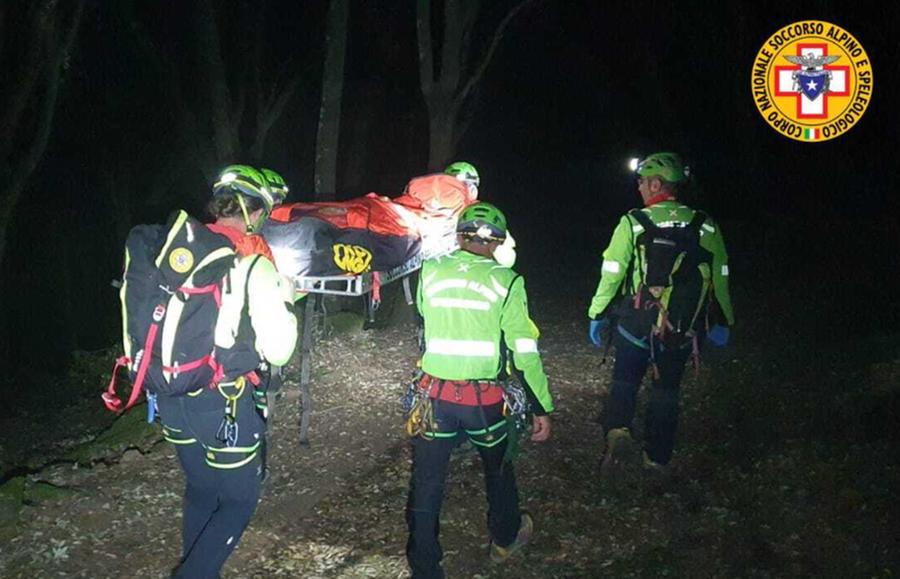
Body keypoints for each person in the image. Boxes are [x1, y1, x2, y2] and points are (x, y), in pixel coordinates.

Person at [157, 163, 298, 578]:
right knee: (238, 501)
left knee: (201, 489)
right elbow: (279, 349)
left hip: (169, 396)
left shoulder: (177, 256)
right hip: (223, 404)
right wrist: (286, 301)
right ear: (255, 213)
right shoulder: (255, 265)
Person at [406, 202, 554, 578]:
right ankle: (505, 538)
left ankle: (424, 566)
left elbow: (425, 314)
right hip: (483, 402)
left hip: (434, 399)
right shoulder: (508, 281)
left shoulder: (430, 271)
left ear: (459, 235)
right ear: (499, 243)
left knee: (427, 483)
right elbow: (523, 351)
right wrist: (541, 406)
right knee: (499, 471)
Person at [587, 152, 733, 477]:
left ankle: (619, 433)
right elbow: (720, 275)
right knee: (667, 391)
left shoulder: (634, 222)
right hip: (681, 327)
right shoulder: (704, 224)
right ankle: (657, 459)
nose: (639, 187)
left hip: (636, 324)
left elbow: (612, 272)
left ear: (656, 183)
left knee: (625, 381)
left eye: (641, 181)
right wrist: (724, 321)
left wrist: (597, 313)